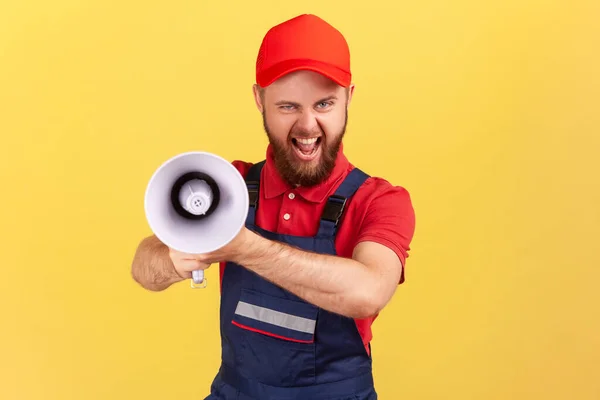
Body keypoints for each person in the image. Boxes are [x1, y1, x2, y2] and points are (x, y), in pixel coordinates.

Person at [131, 13, 416, 400]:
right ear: (259, 100)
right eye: (288, 107)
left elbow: (368, 291)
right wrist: (172, 261)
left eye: (325, 103)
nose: (308, 125)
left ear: (349, 97)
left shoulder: (379, 200)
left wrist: (242, 247)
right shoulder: (228, 186)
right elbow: (144, 268)